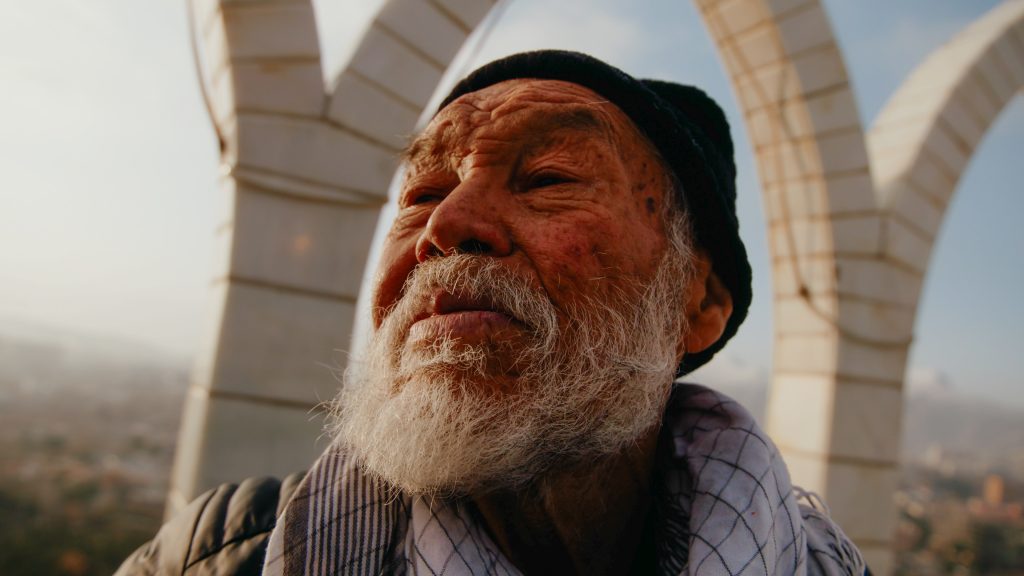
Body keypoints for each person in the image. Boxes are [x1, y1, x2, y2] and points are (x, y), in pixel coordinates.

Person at [117, 50, 866, 576]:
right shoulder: (217, 557)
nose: (449, 223)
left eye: (547, 177)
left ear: (697, 303)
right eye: (419, 193)